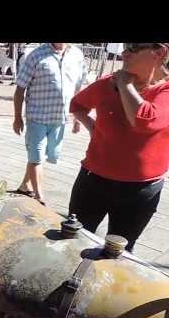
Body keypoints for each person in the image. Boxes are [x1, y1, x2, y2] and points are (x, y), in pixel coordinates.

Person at [68, 43, 169, 252]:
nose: (124, 53)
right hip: (92, 181)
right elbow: (77, 105)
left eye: (132, 48)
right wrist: (92, 127)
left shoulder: (165, 91)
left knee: (118, 253)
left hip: (140, 191)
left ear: (159, 52)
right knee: (73, 240)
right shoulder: (107, 84)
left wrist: (125, 85)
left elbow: (145, 121)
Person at [12, 43, 86, 205]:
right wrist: (18, 117)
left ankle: (25, 185)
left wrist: (77, 118)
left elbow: (78, 89)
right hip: (37, 116)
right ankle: (39, 197)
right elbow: (19, 90)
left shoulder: (77, 55)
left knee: (44, 155)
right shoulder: (36, 55)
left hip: (60, 118)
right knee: (36, 156)